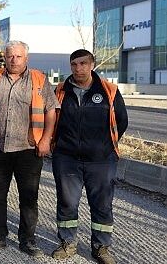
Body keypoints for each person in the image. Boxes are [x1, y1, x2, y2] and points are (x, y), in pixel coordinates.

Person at [0, 40, 58, 258]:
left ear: (26, 58)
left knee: (29, 198)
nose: (14, 60)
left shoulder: (39, 80)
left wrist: (45, 140)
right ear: (4, 57)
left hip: (29, 149)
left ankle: (28, 240)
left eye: (18, 56)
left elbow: (51, 112)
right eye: (10, 56)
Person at [50, 49, 127, 264]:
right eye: (74, 64)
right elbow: (52, 119)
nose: (78, 68)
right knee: (67, 202)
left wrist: (103, 145)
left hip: (101, 160)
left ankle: (101, 247)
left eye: (83, 63)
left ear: (92, 64)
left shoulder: (108, 90)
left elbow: (121, 121)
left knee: (102, 204)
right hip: (67, 158)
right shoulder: (60, 91)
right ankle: (68, 242)